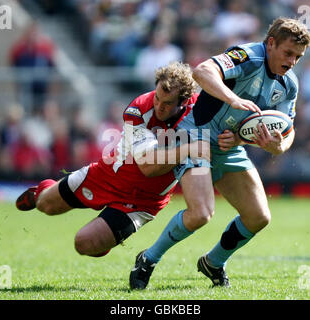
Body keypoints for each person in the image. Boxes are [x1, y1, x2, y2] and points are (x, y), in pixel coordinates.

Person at [129, 17, 310, 289]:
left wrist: (275, 145)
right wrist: (233, 98)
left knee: (258, 217)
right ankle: (148, 258)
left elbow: (287, 131)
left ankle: (213, 262)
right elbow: (202, 71)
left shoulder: (289, 85)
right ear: (271, 43)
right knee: (201, 213)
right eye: (288, 53)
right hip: (196, 136)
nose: (292, 61)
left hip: (229, 146)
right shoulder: (248, 56)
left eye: (298, 57)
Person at [15, 62, 210, 257]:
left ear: (183, 102)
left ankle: (105, 237)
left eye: (167, 104)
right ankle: (44, 189)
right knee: (45, 205)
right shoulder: (139, 108)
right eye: (157, 98)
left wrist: (232, 138)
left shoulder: (200, 109)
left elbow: (229, 122)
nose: (158, 106)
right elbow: (148, 167)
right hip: (108, 176)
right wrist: (190, 148)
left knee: (84, 244)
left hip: (145, 201)